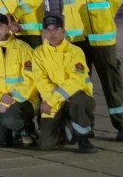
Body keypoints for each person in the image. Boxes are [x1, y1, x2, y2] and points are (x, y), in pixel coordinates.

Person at [58, 0, 123, 142]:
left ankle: (122, 125)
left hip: (102, 36)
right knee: (80, 84)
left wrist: (103, 14)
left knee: (112, 84)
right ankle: (85, 127)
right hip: (76, 38)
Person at [33, 14, 97, 153]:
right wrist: (52, 100)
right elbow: (40, 80)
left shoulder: (75, 51)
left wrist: (52, 99)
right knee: (46, 145)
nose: (52, 33)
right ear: (43, 33)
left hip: (77, 97)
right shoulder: (38, 53)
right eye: (48, 30)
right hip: (53, 102)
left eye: (56, 29)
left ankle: (83, 139)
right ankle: (66, 125)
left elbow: (77, 80)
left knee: (78, 101)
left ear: (63, 31)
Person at [0, 13, 39, 148]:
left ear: (8, 27)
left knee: (11, 119)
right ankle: (12, 133)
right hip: (0, 102)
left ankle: (27, 130)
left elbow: (31, 80)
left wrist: (10, 100)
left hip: (23, 100)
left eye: (0, 26)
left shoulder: (24, 49)